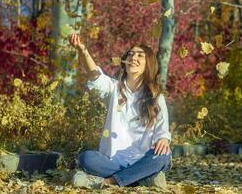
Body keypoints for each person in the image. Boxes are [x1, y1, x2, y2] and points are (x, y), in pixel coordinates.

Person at [68, 34, 172, 189]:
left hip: (144, 158)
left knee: (163, 156)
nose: (133, 57)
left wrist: (163, 139)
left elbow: (162, 131)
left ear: (148, 64)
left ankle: (109, 182)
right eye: (130, 54)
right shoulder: (114, 88)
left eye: (140, 55)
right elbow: (95, 75)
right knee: (86, 158)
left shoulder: (156, 97)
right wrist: (83, 50)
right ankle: (143, 178)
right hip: (113, 160)